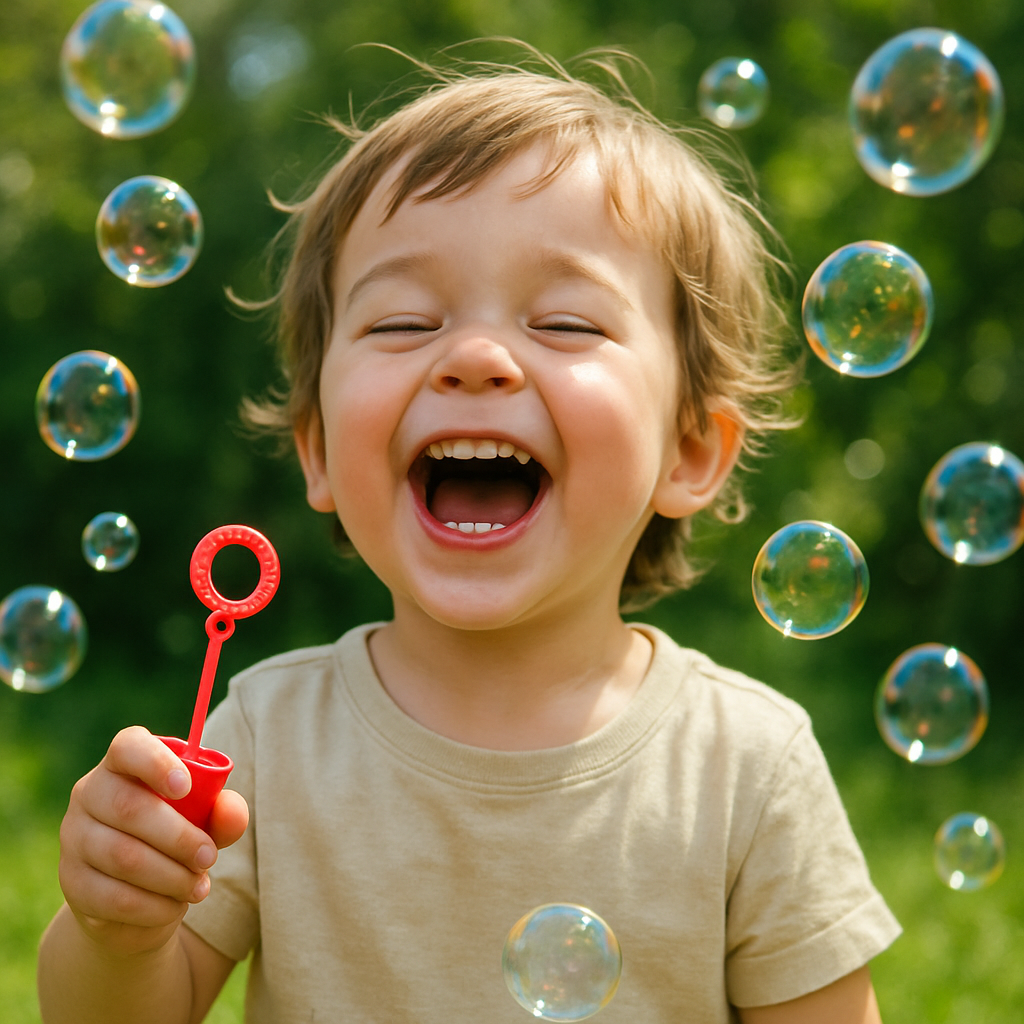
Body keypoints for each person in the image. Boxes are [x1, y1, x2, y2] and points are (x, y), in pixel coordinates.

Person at [38, 46, 901, 1024]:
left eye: (566, 323)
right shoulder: (265, 739)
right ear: (318, 450)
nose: (477, 357)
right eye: (403, 322)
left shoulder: (744, 766)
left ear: (690, 450)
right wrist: (116, 933)